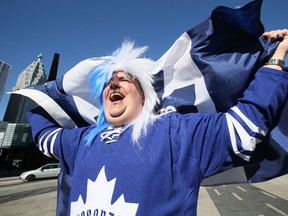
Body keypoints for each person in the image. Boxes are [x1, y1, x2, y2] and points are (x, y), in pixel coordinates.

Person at [25, 28, 288, 215]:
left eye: (125, 79)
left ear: (144, 96)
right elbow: (43, 134)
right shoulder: (81, 141)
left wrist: (275, 60)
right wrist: (49, 93)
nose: (113, 83)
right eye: (107, 83)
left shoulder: (175, 131)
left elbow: (243, 129)